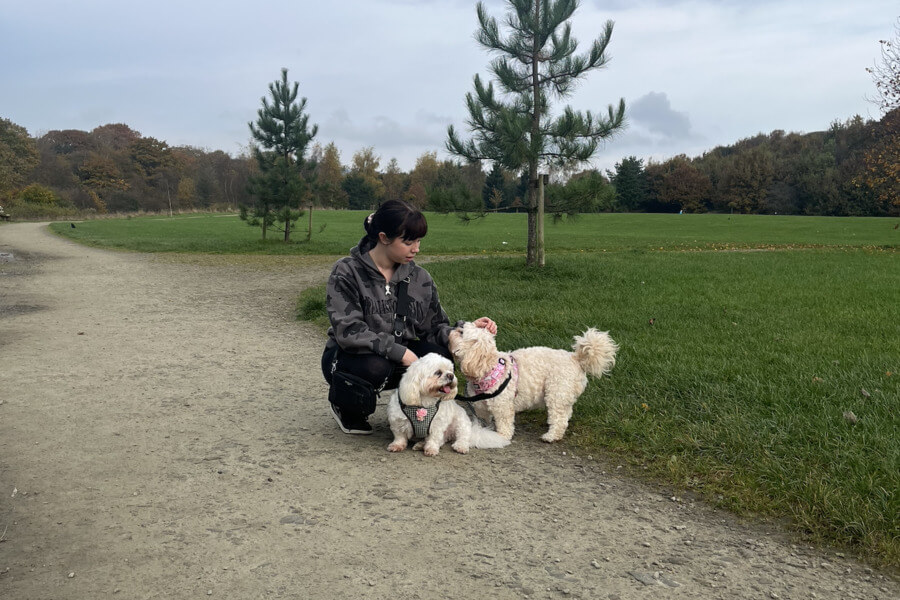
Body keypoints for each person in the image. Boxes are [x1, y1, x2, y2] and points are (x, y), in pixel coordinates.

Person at [321, 200, 496, 435]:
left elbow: (434, 327)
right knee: (376, 366)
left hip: (402, 354)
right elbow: (349, 331)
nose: (416, 249)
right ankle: (348, 406)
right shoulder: (346, 272)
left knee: (441, 356)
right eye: (408, 241)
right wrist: (400, 353)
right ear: (384, 238)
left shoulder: (420, 277)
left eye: (419, 241)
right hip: (351, 358)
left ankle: (417, 411)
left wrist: (464, 332)